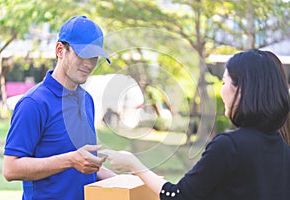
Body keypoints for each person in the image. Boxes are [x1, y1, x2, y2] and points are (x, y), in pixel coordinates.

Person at [107, 49, 290, 200]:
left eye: (224, 82)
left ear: (241, 90)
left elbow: (178, 195)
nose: (221, 89)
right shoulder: (281, 147)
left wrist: (134, 164)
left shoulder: (229, 146)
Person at [3, 16, 116, 200]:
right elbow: (10, 169)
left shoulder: (87, 100)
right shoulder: (33, 103)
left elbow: (84, 165)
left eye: (94, 57)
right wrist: (70, 160)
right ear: (60, 50)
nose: (89, 64)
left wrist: (129, 183)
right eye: (82, 54)